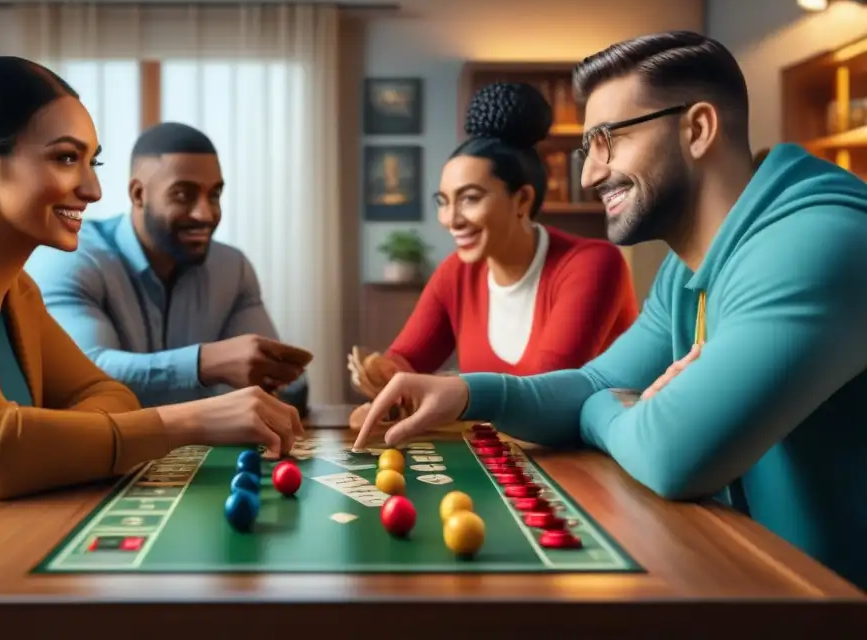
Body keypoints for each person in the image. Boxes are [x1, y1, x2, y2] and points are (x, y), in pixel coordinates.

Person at [353, 31, 867, 590]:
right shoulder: (687, 266)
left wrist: (607, 406)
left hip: (833, 603)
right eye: (586, 150)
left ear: (696, 129)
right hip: (757, 580)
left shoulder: (818, 243)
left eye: (608, 140)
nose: (590, 174)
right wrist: (470, 394)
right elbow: (600, 379)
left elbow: (672, 454)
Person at [0, 57, 301, 572]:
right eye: (65, 159)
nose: (92, 189)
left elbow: (109, 396)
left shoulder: (17, 292)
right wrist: (190, 419)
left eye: (92, 162)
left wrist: (38, 441)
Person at [347, 82, 638, 429]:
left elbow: (541, 394)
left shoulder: (593, 264)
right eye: (443, 201)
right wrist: (385, 374)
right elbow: (408, 359)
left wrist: (450, 389)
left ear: (522, 200)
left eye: (469, 198)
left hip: (593, 457)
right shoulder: (456, 273)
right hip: (506, 456)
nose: (451, 219)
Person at [25, 121, 312, 415]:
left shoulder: (233, 268)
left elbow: (279, 386)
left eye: (214, 195)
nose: (205, 213)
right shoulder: (72, 258)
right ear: (138, 194)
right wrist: (205, 364)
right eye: (183, 195)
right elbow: (82, 374)